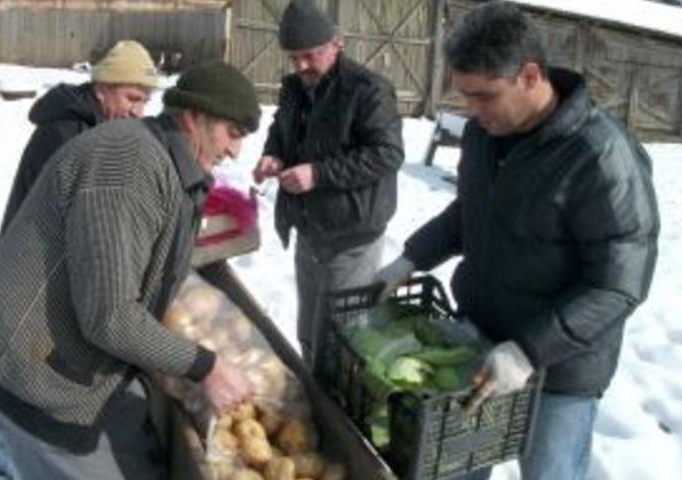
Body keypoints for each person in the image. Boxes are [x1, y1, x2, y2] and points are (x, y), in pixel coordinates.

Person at [374, 2, 659, 479]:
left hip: (560, 374)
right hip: (481, 347)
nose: (472, 110)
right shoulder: (486, 135)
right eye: (465, 96)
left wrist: (530, 349)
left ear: (529, 76)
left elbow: (618, 284)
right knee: (454, 468)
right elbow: (472, 212)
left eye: (484, 96)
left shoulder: (600, 157)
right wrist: (411, 259)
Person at [0, 61, 261, 480]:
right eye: (232, 134)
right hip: (29, 373)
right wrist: (205, 366)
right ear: (194, 118)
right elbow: (111, 318)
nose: (235, 151)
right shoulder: (127, 166)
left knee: (145, 459)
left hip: (76, 352)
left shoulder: (169, 163)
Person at [252, 0, 404, 367]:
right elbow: (281, 132)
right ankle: (312, 398)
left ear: (336, 44)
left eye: (309, 55)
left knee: (340, 340)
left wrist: (317, 174)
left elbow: (387, 154)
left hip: (352, 235)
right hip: (310, 228)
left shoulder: (368, 90)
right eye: (294, 59)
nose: (302, 66)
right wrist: (273, 155)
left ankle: (336, 415)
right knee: (309, 328)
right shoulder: (294, 88)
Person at [0, 40, 160, 236]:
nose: (138, 112)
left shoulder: (105, 129)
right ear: (102, 90)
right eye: (132, 99)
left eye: (144, 102)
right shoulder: (66, 134)